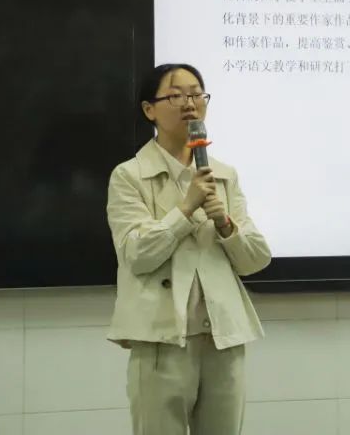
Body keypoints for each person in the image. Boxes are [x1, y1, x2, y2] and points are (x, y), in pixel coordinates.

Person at [106, 63, 271, 435]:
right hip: (161, 339)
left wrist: (225, 224)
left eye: (197, 94)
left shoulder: (223, 175)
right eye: (176, 95)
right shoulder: (129, 176)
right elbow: (137, 255)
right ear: (149, 109)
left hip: (222, 338)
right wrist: (185, 209)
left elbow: (256, 259)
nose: (189, 104)